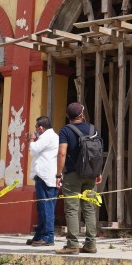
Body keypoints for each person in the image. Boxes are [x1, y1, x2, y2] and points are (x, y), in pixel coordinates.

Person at [55, 102, 100, 255]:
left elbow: (62, 152)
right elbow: (97, 153)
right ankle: (91, 244)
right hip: (91, 174)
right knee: (89, 208)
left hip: (72, 174)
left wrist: (58, 175)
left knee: (72, 209)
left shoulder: (65, 130)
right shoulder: (93, 129)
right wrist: (97, 172)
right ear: (82, 114)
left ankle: (73, 244)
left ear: (68, 116)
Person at [26, 116, 59, 247]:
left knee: (46, 208)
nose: (35, 130)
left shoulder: (47, 136)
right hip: (45, 176)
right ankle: (39, 234)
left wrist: (33, 139)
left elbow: (34, 150)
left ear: (40, 128)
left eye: (36, 128)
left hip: (46, 177)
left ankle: (48, 236)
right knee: (42, 209)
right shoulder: (51, 137)